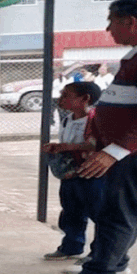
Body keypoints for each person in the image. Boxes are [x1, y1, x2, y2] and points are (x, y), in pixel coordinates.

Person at [46, 0, 137, 274]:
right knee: (123, 208)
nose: (109, 29)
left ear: (131, 22)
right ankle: (114, 262)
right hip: (132, 151)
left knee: (118, 211)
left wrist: (115, 152)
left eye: (112, 22)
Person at [41, 82, 102, 261]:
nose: (61, 99)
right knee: (71, 211)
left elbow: (95, 145)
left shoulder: (95, 119)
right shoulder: (68, 119)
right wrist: (58, 148)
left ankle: (99, 253)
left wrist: (66, 147)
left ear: (85, 99)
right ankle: (71, 246)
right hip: (71, 173)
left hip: (91, 173)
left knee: (98, 213)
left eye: (66, 95)